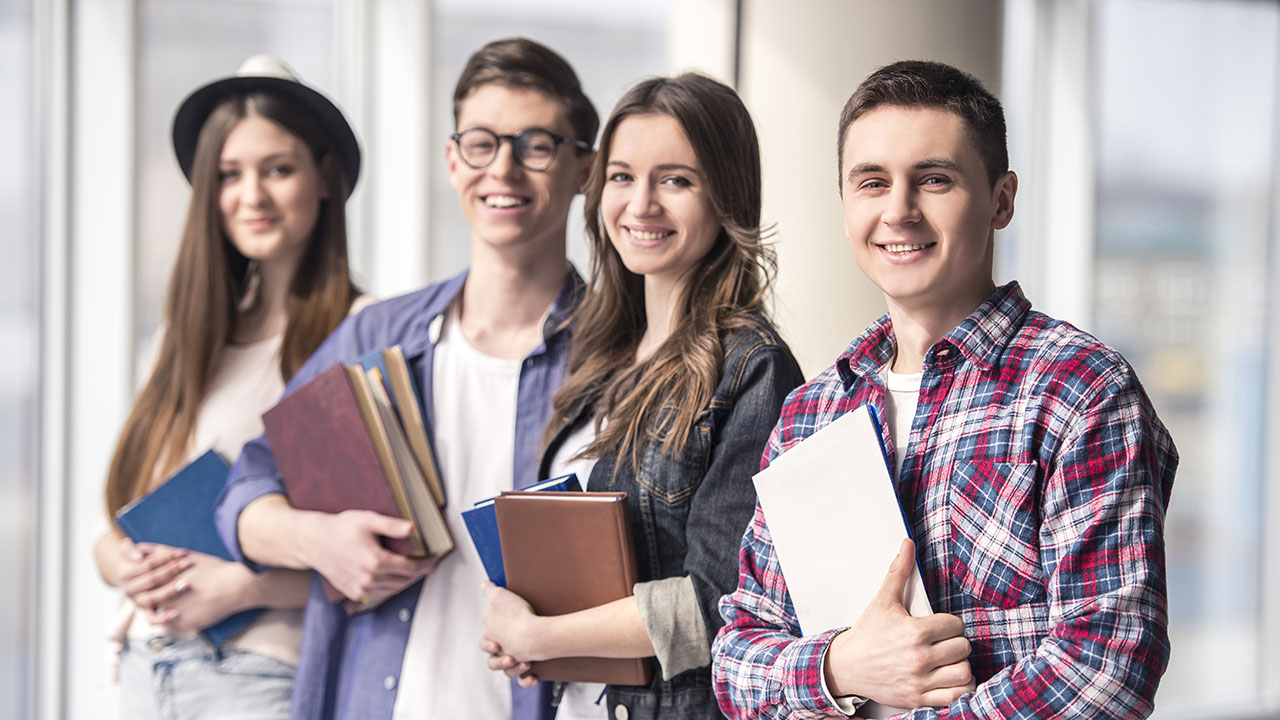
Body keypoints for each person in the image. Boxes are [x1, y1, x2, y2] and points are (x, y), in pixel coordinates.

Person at [711, 60, 1178, 719]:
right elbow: (735, 664)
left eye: (933, 179)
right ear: (846, 206)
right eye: (872, 182)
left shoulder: (1079, 390)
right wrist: (840, 665)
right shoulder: (809, 415)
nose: (898, 210)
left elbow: (1108, 663)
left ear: (1001, 199)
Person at [212, 37, 598, 720]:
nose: (502, 169)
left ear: (584, 171)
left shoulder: (618, 358)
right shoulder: (374, 338)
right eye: (481, 143)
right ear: (453, 161)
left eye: (536, 145)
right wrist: (317, 541)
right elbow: (246, 490)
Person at [478, 72, 805, 720]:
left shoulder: (752, 370)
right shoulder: (600, 352)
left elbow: (719, 606)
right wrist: (533, 633)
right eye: (623, 177)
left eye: (675, 180)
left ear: (726, 196)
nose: (641, 205)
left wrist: (542, 635)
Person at [92, 55, 368, 719]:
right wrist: (120, 566)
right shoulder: (177, 342)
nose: (253, 196)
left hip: (257, 677)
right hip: (140, 669)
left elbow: (378, 557)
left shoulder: (357, 335)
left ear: (324, 177)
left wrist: (241, 588)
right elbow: (114, 525)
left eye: (278, 169)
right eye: (229, 175)